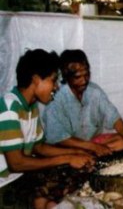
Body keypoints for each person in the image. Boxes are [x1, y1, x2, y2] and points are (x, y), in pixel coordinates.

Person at [0, 49, 94, 209]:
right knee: (59, 180)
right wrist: (68, 158)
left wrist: (76, 154)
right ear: (36, 79)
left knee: (74, 175)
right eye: (53, 80)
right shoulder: (9, 107)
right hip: (6, 184)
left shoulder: (31, 105)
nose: (56, 87)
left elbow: (39, 147)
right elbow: (16, 163)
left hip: (22, 177)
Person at [42, 49, 123, 157]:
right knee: (62, 151)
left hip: (90, 143)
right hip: (67, 147)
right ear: (66, 76)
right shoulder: (56, 99)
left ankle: (88, 154)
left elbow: (114, 117)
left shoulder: (94, 91)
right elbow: (59, 138)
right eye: (78, 77)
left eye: (87, 75)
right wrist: (94, 147)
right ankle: (87, 154)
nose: (84, 80)